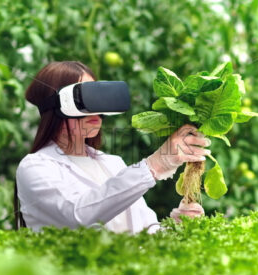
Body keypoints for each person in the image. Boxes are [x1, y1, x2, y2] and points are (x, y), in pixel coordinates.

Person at [15, 61, 211, 234]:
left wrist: (180, 225)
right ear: (57, 106)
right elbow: (77, 216)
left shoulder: (113, 164)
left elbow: (145, 235)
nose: (95, 109)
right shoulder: (35, 167)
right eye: (84, 99)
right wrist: (155, 165)